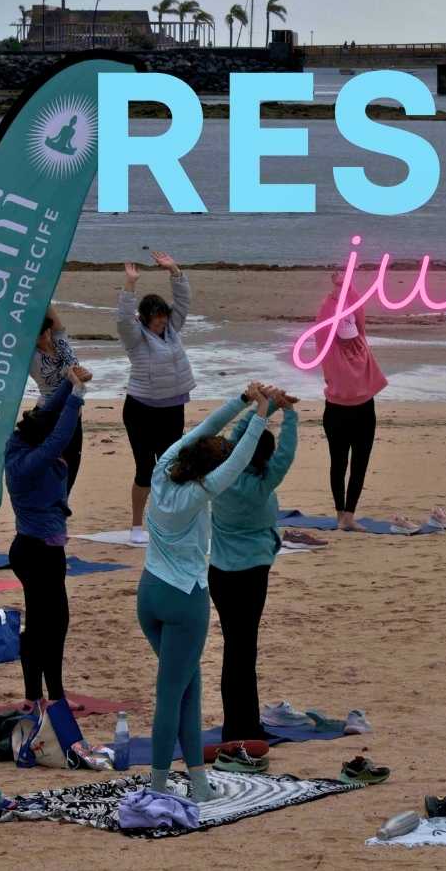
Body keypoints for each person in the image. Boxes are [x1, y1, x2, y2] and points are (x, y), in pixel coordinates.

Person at [139, 383, 271, 801]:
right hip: (184, 601)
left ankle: (197, 781)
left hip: (149, 593)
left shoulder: (162, 470)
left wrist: (243, 401)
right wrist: (262, 416)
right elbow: (240, 459)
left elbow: (204, 429)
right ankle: (159, 786)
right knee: (170, 694)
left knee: (188, 686)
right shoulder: (199, 494)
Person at [4, 363, 101, 765]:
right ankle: (48, 697)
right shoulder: (31, 463)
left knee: (43, 622)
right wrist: (76, 399)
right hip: (39, 552)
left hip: (36, 548)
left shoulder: (17, 443)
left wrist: (69, 384)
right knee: (50, 623)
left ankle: (38, 695)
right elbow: (59, 432)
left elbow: (46, 419)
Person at [209, 384, 299, 744]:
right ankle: (241, 727)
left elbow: (234, 438)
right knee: (242, 654)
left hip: (219, 572)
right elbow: (286, 454)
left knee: (236, 650)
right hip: (250, 575)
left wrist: (266, 408)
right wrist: (288, 413)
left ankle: (241, 723)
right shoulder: (263, 482)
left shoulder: (222, 476)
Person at [117, 250, 195, 545]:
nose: (162, 324)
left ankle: (166, 521)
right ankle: (137, 525)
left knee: (171, 466)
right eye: (157, 321)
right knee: (146, 469)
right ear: (145, 319)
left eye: (164, 319)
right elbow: (123, 319)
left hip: (173, 407)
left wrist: (174, 269)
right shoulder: (135, 337)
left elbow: (184, 303)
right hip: (141, 410)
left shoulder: (172, 330)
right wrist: (129, 285)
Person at [314, 273, 387, 531]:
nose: (350, 335)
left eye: (352, 328)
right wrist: (335, 292)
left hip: (365, 410)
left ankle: (349, 515)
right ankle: (339, 513)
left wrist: (347, 286)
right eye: (344, 331)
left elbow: (359, 308)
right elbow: (324, 321)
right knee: (339, 463)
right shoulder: (330, 351)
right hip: (337, 412)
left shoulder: (361, 343)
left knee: (360, 464)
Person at [29, 304, 84, 495]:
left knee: (71, 471)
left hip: (74, 413)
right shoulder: (30, 356)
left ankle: (58, 517)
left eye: (45, 332)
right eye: (38, 336)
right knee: (52, 472)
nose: (44, 337)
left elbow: (47, 306)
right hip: (49, 417)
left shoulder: (60, 340)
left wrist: (41, 289)